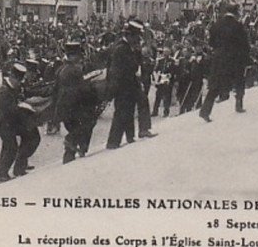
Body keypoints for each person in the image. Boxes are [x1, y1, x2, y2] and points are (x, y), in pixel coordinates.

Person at [106, 20, 156, 148]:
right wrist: (137, 53)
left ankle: (134, 135)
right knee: (123, 112)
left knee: (137, 104)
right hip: (123, 85)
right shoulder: (122, 48)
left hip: (129, 83)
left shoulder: (125, 46)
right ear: (130, 36)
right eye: (136, 37)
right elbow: (132, 66)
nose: (138, 40)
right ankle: (114, 142)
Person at [199, 2, 251, 122]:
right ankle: (239, 104)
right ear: (236, 12)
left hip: (219, 58)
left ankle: (205, 111)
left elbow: (211, 42)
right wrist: (246, 58)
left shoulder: (216, 24)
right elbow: (244, 44)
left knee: (215, 85)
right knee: (239, 80)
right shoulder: (238, 25)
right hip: (235, 58)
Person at [55, 41, 99, 163]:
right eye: (78, 56)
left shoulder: (61, 69)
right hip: (74, 108)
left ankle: (75, 150)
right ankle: (76, 147)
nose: (80, 58)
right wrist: (93, 92)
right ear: (73, 56)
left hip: (64, 109)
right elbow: (81, 90)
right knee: (88, 122)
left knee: (78, 128)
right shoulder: (74, 71)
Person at [0, 61, 33, 182]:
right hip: (4, 124)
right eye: (18, 81)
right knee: (10, 147)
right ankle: (1, 173)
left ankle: (9, 170)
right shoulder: (3, 91)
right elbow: (9, 110)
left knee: (15, 144)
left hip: (11, 123)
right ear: (12, 77)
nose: (19, 83)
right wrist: (23, 106)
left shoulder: (13, 87)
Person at [151, 47, 176, 117]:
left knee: (167, 96)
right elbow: (156, 69)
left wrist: (169, 75)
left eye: (167, 53)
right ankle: (155, 111)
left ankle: (166, 112)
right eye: (164, 53)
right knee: (158, 95)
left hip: (168, 80)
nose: (165, 54)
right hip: (161, 79)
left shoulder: (172, 61)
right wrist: (157, 74)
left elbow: (173, 70)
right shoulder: (160, 61)